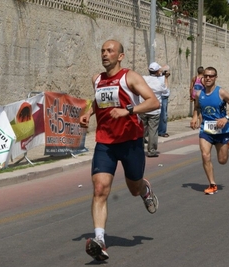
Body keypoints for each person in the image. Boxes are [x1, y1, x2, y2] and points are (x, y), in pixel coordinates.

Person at [79, 40, 160, 262]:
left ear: (120, 56)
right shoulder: (97, 79)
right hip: (105, 143)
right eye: (102, 50)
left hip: (130, 141)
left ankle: (145, 190)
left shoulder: (129, 77)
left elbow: (154, 102)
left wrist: (129, 110)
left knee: (134, 187)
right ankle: (99, 241)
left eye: (110, 51)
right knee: (99, 189)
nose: (105, 54)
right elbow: (98, 101)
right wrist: (89, 114)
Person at [190, 67, 229, 195]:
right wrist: (195, 117)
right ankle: (212, 184)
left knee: (222, 161)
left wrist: (226, 118)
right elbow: (197, 107)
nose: (208, 78)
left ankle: (226, 145)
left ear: (215, 78)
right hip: (206, 130)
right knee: (205, 155)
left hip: (221, 131)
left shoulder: (221, 92)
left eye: (211, 76)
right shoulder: (199, 94)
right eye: (206, 76)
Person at [140, 62, 169, 157]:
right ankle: (151, 150)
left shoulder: (143, 79)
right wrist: (165, 78)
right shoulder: (159, 82)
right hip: (154, 109)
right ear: (157, 71)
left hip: (143, 107)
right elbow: (166, 91)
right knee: (153, 130)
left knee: (141, 130)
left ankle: (139, 149)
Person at [158, 65, 171, 138]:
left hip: (164, 97)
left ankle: (161, 130)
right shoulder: (160, 78)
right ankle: (162, 131)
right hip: (162, 96)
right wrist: (165, 77)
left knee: (163, 114)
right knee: (163, 114)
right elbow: (165, 88)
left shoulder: (162, 77)